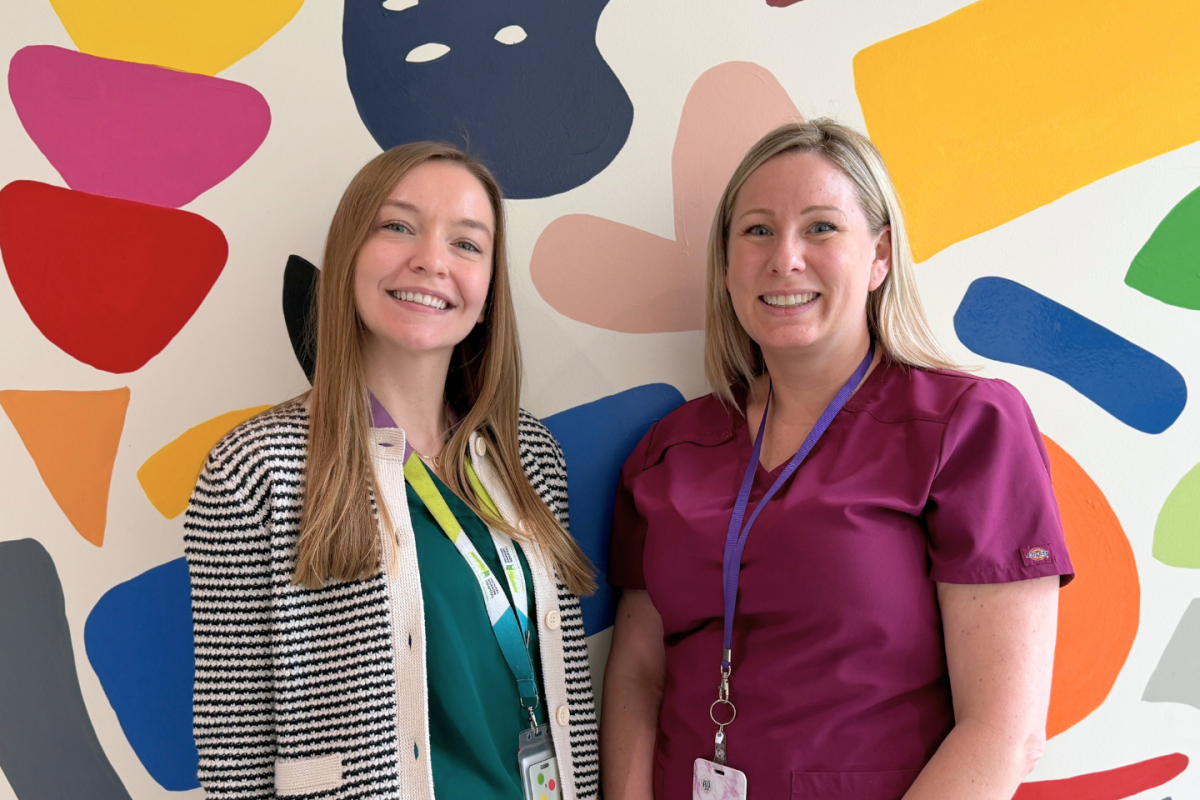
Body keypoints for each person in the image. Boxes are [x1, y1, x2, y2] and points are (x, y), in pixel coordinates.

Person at [600, 120, 1073, 800]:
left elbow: (1004, 732)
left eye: (820, 227)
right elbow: (638, 677)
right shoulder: (667, 451)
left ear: (879, 256)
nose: (785, 258)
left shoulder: (967, 427)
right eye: (757, 231)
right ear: (727, 265)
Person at [184, 142, 599, 800]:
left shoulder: (529, 454)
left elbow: (564, 683)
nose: (431, 259)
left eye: (466, 243)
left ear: (488, 294)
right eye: (398, 226)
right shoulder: (256, 468)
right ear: (348, 256)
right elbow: (235, 745)